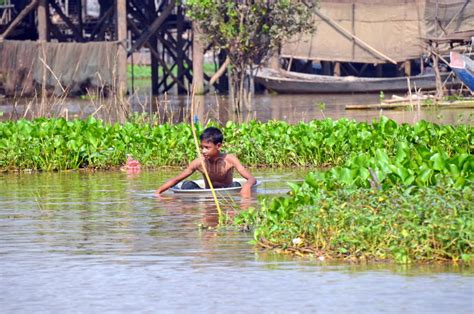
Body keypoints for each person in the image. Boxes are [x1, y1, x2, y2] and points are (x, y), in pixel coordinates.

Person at [156, 127, 257, 198]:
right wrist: (158, 192)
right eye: (202, 147)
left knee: (236, 185)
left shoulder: (230, 159)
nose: (203, 151)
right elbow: (177, 179)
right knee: (187, 184)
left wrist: (247, 186)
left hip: (227, 192)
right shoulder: (199, 162)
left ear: (218, 146)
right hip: (207, 193)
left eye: (207, 148)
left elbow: (252, 179)